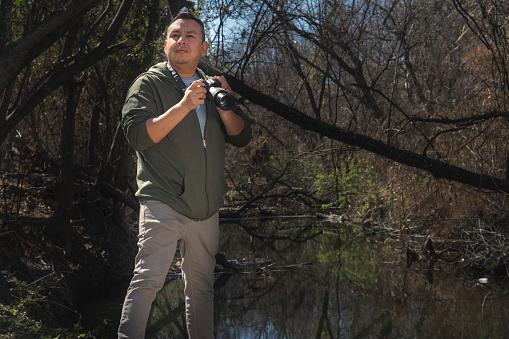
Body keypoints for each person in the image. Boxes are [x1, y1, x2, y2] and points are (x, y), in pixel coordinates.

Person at [118, 11, 252, 339]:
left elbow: (242, 135)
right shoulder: (147, 84)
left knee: (202, 290)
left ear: (203, 47)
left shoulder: (212, 87)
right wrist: (183, 106)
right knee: (148, 282)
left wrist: (225, 106)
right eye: (176, 35)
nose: (182, 40)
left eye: (191, 36)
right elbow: (136, 136)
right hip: (163, 198)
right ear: (165, 44)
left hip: (205, 207)